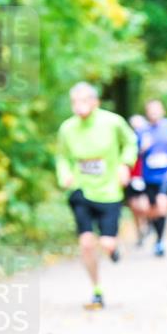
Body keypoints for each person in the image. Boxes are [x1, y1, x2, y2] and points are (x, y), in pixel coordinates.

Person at [56, 83, 138, 310]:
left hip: (109, 191)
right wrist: (64, 175)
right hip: (81, 190)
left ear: (95, 102)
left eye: (83, 101)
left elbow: (131, 142)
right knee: (86, 243)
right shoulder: (67, 128)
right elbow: (62, 157)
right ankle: (96, 290)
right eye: (74, 102)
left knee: (107, 243)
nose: (78, 106)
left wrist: (125, 164)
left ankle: (112, 248)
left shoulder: (112, 122)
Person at [137, 100, 167, 257]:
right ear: (147, 113)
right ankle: (156, 233)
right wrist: (141, 147)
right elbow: (133, 151)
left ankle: (160, 240)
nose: (154, 113)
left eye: (156, 110)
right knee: (151, 209)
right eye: (151, 111)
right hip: (149, 175)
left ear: (162, 111)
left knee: (162, 203)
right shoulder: (141, 130)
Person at [125, 114, 150, 247]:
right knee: (134, 208)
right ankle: (139, 233)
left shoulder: (150, 138)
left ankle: (146, 225)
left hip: (145, 177)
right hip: (131, 177)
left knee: (144, 207)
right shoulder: (130, 139)